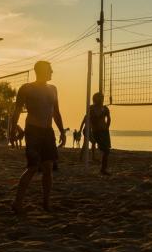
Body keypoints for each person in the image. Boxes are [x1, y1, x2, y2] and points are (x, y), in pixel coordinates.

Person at [11, 61, 66, 215]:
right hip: (33, 131)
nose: (52, 71)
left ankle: (46, 203)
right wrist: (12, 130)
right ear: (41, 70)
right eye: (50, 69)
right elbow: (16, 111)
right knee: (33, 167)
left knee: (48, 168)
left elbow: (56, 112)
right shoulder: (27, 88)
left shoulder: (53, 89)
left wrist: (62, 131)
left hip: (48, 131)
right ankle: (17, 203)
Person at [79, 92, 112, 175]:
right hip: (95, 131)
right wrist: (86, 129)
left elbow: (109, 119)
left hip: (104, 132)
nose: (102, 99)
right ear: (95, 99)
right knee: (91, 144)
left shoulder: (105, 109)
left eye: (102, 98)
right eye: (100, 98)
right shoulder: (91, 108)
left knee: (106, 150)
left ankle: (103, 169)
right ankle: (86, 157)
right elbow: (86, 119)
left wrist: (107, 127)